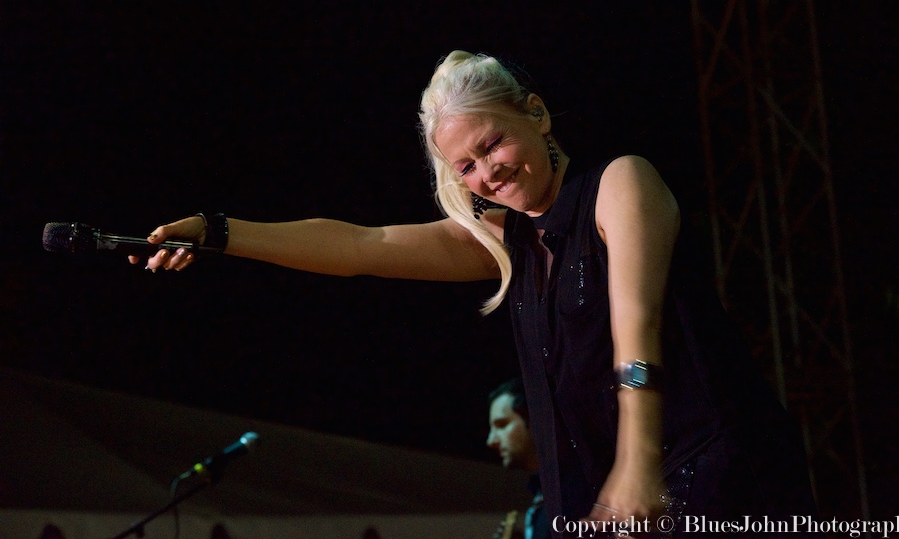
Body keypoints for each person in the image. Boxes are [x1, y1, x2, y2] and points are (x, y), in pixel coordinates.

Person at [133, 50, 818, 537]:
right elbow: (359, 248)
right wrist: (218, 231)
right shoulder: (503, 241)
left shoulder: (620, 184)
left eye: (492, 144)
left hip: (711, 476)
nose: (487, 172)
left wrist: (638, 467)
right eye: (466, 165)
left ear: (537, 115)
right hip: (606, 502)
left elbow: (636, 328)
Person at [487, 378, 548, 539]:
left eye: (502, 425)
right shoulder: (542, 498)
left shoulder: (569, 495)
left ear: (535, 420)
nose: (491, 441)